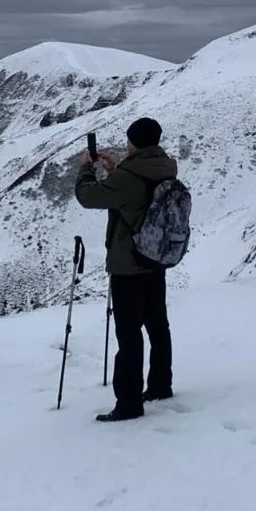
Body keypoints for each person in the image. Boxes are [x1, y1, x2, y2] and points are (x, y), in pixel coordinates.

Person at [75, 116, 177, 422]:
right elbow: (137, 197)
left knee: (129, 335)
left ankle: (129, 403)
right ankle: (160, 385)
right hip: (155, 260)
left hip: (129, 266)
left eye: (128, 140)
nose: (126, 144)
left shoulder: (129, 177)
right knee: (157, 326)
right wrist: (115, 171)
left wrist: (86, 168)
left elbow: (87, 196)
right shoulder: (165, 167)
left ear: (134, 142)